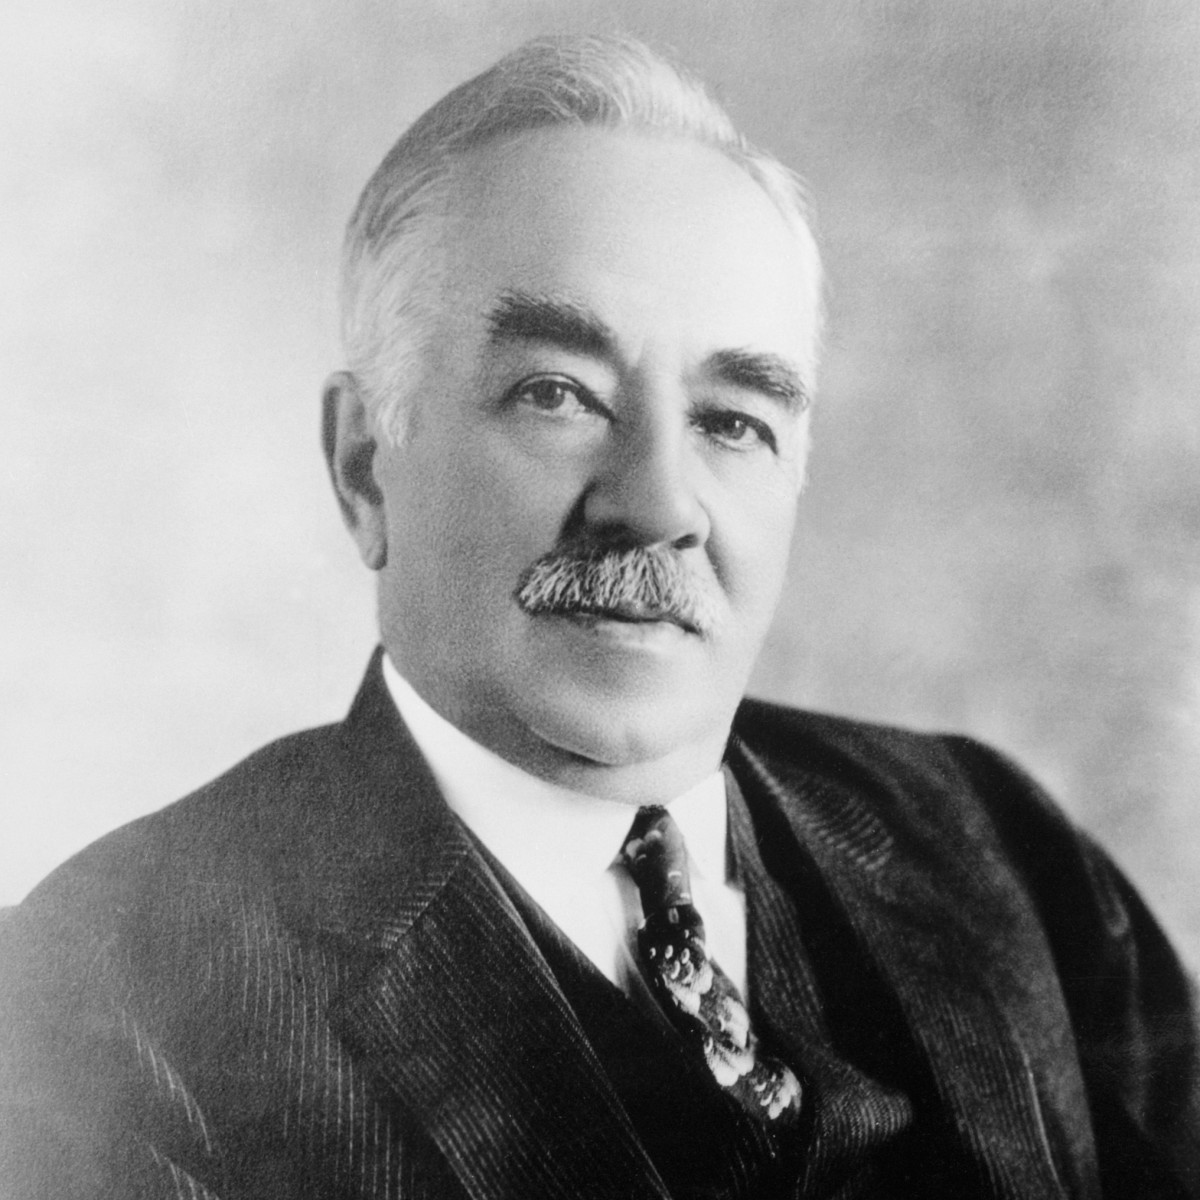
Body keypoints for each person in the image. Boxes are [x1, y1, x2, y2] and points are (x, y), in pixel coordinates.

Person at [1, 33, 1197, 1200]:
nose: (658, 505)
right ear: (366, 466)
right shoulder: (97, 1014)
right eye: (558, 394)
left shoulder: (1001, 851)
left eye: (733, 421)